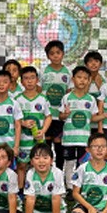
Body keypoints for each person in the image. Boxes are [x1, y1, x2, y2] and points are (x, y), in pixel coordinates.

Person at [60, 66, 106, 185]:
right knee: (69, 163)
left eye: (85, 78)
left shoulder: (90, 99)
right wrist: (65, 114)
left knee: (83, 163)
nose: (82, 80)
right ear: (73, 79)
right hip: (69, 139)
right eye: (79, 77)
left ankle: (80, 185)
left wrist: (105, 115)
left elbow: (93, 118)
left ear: (89, 80)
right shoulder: (66, 98)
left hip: (84, 139)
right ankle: (70, 187)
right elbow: (61, 116)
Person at [20, 143, 68, 213]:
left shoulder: (57, 173)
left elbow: (56, 198)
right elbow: (30, 198)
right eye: (37, 158)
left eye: (45, 158)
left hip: (54, 212)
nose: (41, 161)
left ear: (51, 160)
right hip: (37, 212)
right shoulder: (30, 173)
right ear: (32, 161)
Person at [15, 66, 51, 188]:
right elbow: (14, 120)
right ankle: (21, 191)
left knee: (40, 164)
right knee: (22, 165)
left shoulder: (43, 99)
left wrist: (43, 130)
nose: (29, 81)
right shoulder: (17, 100)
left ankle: (40, 189)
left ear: (37, 80)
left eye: (32, 78)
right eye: (26, 78)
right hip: (23, 140)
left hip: (38, 140)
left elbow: (48, 117)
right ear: (21, 81)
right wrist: (23, 123)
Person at [42, 40, 71, 170]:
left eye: (58, 53)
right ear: (48, 56)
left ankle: (59, 172)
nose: (55, 56)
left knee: (59, 147)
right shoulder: (43, 72)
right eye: (52, 53)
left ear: (63, 54)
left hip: (60, 117)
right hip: (46, 116)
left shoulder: (68, 73)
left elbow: (69, 93)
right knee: (46, 146)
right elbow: (38, 91)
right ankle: (46, 171)